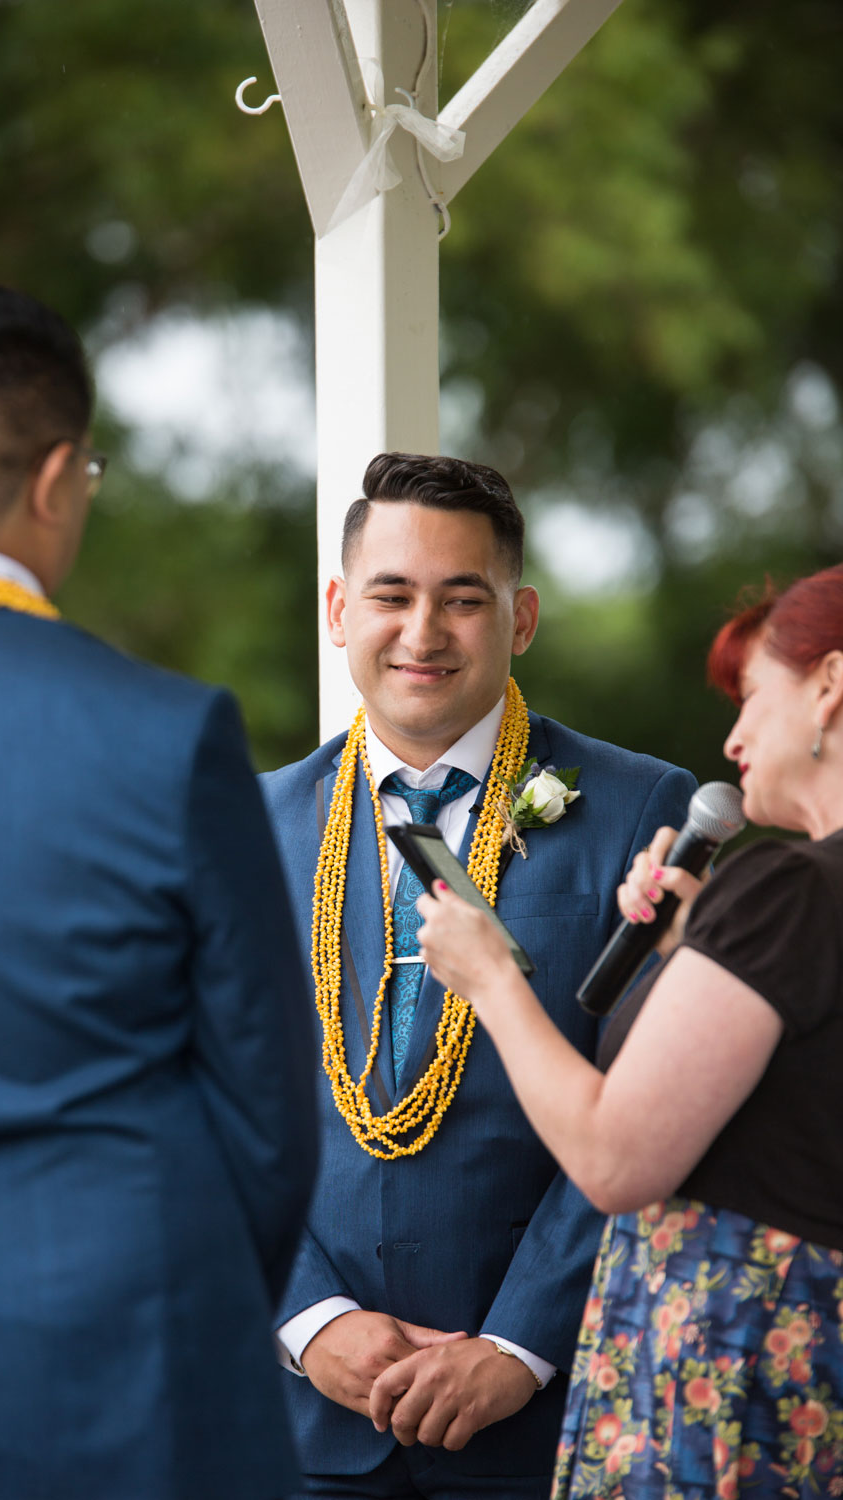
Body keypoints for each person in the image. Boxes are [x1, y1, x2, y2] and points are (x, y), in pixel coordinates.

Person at [0, 282, 318, 1500]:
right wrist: (196, 1308)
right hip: (115, 1365)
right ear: (58, 479)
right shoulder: (163, 735)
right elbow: (266, 1110)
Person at [261, 452, 696, 1498]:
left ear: (523, 617)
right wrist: (309, 1320)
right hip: (302, 1423)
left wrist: (515, 1347)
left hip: (541, 1419)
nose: (422, 634)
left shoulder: (639, 811)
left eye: (464, 599)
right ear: (336, 608)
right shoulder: (249, 822)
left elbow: (660, 1106)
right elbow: (201, 1105)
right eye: (391, 596)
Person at [412, 564, 843, 1497]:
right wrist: (685, 947)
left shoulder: (793, 889)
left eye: (753, 696)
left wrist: (490, 975)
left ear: (829, 685)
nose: (734, 736)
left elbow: (615, 1158)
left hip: (739, 1358)